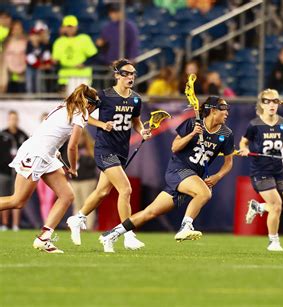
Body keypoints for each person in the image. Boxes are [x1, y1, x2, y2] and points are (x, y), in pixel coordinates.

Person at [98, 96, 234, 253]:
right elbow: (175, 147)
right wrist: (192, 135)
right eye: (224, 109)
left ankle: (110, 235)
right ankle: (186, 226)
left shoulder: (227, 133)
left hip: (193, 176)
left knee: (150, 212)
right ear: (213, 110)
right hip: (178, 170)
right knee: (204, 193)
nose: (227, 113)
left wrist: (217, 176)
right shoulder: (192, 124)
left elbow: (228, 163)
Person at [0, 84, 101, 253]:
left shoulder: (64, 106)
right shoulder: (81, 112)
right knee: (17, 201)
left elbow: (52, 134)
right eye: (94, 105)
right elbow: (72, 146)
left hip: (47, 153)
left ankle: (44, 238)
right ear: (88, 103)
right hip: (37, 153)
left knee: (67, 196)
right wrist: (73, 167)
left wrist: (55, 154)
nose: (93, 109)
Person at [67, 59, 152, 250]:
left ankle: (78, 218)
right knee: (126, 189)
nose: (130, 77)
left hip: (121, 151)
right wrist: (102, 124)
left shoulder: (136, 98)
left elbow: (136, 121)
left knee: (102, 192)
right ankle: (128, 234)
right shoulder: (104, 96)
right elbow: (85, 117)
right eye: (126, 73)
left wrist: (142, 131)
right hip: (105, 149)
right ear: (117, 75)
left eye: (133, 74)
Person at [239, 89, 283, 252]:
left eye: (275, 101)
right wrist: (243, 149)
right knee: (276, 205)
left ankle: (258, 208)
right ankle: (274, 241)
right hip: (260, 170)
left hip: (278, 170)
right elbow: (243, 143)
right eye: (267, 101)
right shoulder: (254, 125)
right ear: (262, 104)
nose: (271, 104)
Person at [52, 15, 97, 93]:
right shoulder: (59, 41)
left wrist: (84, 64)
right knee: (67, 102)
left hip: (82, 75)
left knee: (81, 101)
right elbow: (55, 60)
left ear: (76, 27)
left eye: (72, 26)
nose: (70, 29)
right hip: (65, 76)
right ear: (63, 27)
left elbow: (94, 55)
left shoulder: (84, 38)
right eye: (68, 27)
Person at [0, 111, 28, 231]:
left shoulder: (22, 135)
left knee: (18, 198)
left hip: (19, 173)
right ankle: (5, 224)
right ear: (8, 120)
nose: (13, 121)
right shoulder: (2, 135)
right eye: (11, 119)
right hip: (4, 172)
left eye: (15, 119)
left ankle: (16, 225)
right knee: (5, 197)